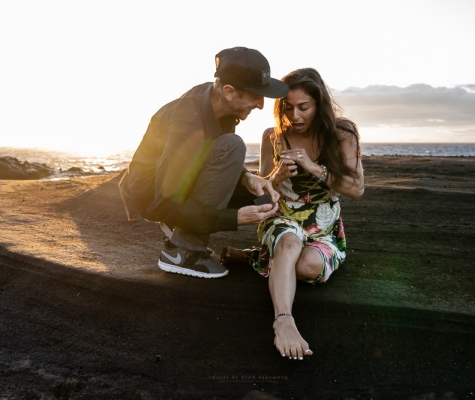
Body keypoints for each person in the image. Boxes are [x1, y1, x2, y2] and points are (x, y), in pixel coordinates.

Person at [221, 68, 364, 359]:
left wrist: (313, 168)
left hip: (322, 224)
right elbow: (262, 189)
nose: (295, 116)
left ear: (319, 104)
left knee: (308, 269)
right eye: (288, 108)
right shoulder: (272, 136)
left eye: (304, 107)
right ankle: (283, 322)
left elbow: (356, 189)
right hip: (282, 215)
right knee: (288, 242)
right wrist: (275, 177)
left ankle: (255, 256)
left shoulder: (342, 134)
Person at [119, 47, 289, 279]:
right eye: (255, 95)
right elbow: (164, 202)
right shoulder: (187, 122)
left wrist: (248, 177)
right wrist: (235, 218)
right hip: (154, 195)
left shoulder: (217, 100)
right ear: (229, 91)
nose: (261, 104)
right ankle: (182, 251)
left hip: (182, 180)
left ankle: (182, 229)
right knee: (234, 145)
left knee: (262, 199)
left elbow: (209, 153)